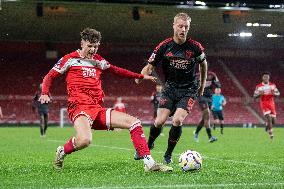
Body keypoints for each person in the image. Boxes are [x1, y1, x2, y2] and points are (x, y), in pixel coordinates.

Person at [39, 28, 172, 172]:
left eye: (96, 46)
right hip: (79, 108)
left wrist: (140, 76)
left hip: (96, 108)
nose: (93, 50)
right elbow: (49, 76)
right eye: (90, 46)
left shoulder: (99, 61)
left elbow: (117, 70)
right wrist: (45, 92)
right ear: (82, 43)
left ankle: (149, 163)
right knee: (85, 140)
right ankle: (62, 151)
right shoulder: (69, 59)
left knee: (134, 122)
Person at [134, 13, 208, 164]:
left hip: (188, 90)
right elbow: (149, 66)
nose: (183, 29)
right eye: (180, 26)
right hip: (170, 88)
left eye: (186, 27)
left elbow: (204, 64)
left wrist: (202, 84)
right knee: (159, 121)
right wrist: (141, 76)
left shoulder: (195, 47)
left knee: (177, 120)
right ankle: (148, 145)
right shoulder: (164, 46)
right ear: (174, 26)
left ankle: (168, 154)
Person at [194, 71, 220, 142]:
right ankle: (210, 137)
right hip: (201, 97)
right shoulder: (197, 75)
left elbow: (218, 84)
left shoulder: (212, 74)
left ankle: (196, 133)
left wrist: (216, 83)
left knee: (204, 118)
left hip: (209, 97)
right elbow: (193, 85)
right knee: (207, 114)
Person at [253, 72, 280, 139]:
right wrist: (260, 94)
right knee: (269, 117)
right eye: (264, 77)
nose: (266, 78)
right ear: (262, 78)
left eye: (267, 77)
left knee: (273, 121)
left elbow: (278, 94)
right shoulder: (258, 86)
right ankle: (271, 134)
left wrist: (274, 94)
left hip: (271, 103)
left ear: (269, 78)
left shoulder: (272, 85)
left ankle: (267, 126)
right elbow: (254, 96)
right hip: (264, 103)